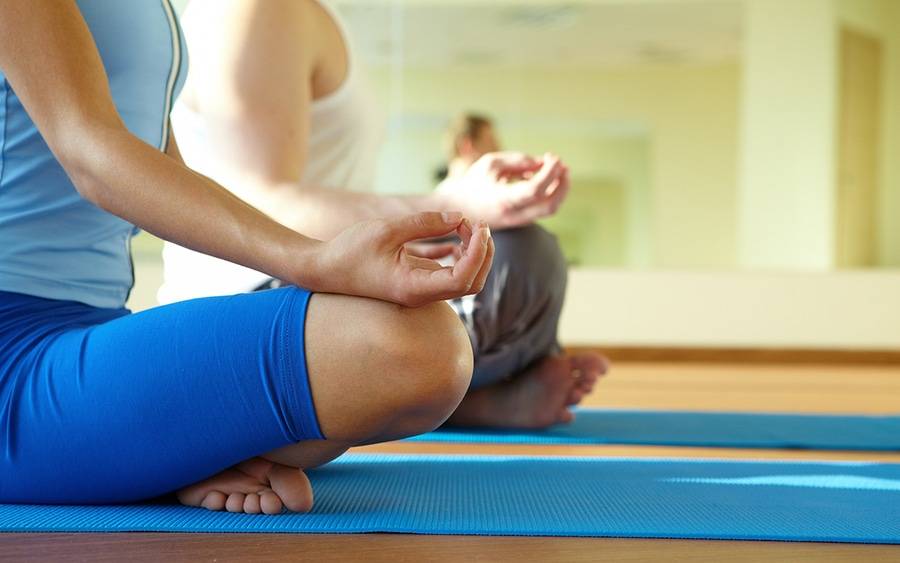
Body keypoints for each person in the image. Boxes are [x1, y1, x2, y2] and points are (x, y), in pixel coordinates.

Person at [0, 0, 514, 515]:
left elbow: (158, 169)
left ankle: (152, 456)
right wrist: (316, 261)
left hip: (92, 329)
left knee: (421, 348)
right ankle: (154, 456)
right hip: (11, 351)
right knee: (414, 349)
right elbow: (90, 153)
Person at [161, 0, 609, 429]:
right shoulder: (259, 8)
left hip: (313, 286)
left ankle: (447, 392)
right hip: (246, 305)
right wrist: (453, 205)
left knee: (515, 254)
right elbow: (259, 210)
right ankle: (449, 395)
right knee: (519, 256)